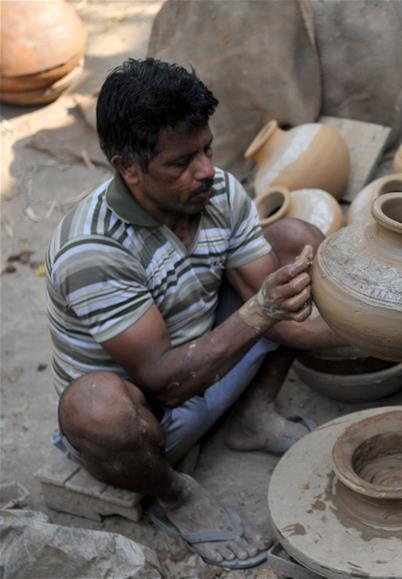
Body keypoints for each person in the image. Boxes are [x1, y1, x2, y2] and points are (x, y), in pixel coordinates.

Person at [44, 58, 342, 569]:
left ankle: (253, 416)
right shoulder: (92, 248)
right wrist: (262, 310)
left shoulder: (218, 191)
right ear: (128, 168)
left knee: (296, 245)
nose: (205, 170)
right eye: (180, 163)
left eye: (206, 149)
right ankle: (175, 493)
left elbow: (284, 315)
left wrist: (386, 331)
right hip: (147, 424)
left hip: (214, 361)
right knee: (93, 406)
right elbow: (166, 382)